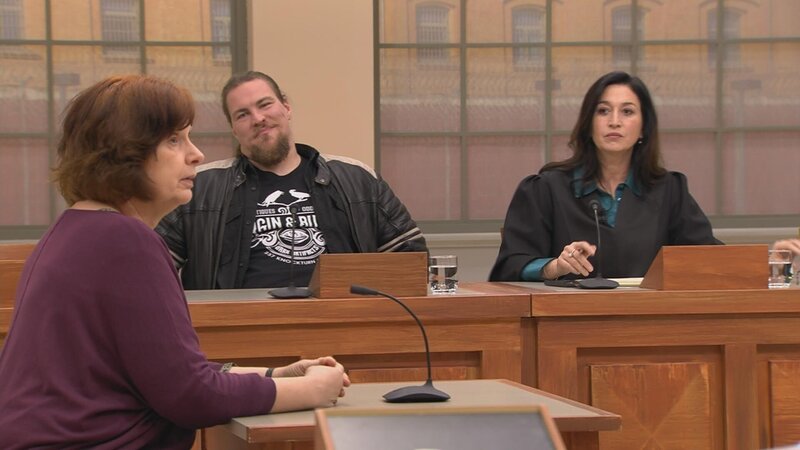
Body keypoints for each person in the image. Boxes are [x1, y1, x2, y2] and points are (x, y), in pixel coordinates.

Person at [0, 75, 349, 449]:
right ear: (125, 151)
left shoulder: (73, 229)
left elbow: (162, 371)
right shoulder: (125, 240)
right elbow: (191, 396)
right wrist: (312, 390)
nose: (196, 154)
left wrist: (274, 375)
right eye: (173, 140)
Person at [156, 71, 426, 290]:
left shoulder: (357, 178)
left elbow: (412, 259)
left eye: (265, 104)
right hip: (238, 329)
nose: (258, 118)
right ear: (234, 129)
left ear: (286, 107)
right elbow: (151, 267)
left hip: (342, 325)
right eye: (242, 114)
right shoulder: (200, 188)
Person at [490, 71, 720, 282]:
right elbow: (511, 266)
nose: (614, 121)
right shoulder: (545, 189)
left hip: (647, 312)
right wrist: (554, 267)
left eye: (627, 111)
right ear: (588, 124)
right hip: (568, 312)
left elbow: (710, 258)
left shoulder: (670, 190)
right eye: (603, 111)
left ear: (643, 128)